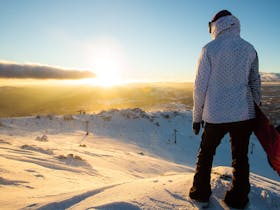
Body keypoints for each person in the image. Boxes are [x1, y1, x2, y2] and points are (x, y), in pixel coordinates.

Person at [189, 10, 261, 209]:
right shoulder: (249, 48)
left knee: (206, 153)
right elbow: (255, 82)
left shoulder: (209, 49)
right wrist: (256, 110)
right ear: (233, 24)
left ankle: (200, 193)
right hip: (243, 113)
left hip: (215, 113)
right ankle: (238, 198)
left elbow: (199, 87)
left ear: (215, 25)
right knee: (240, 156)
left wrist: (197, 117)